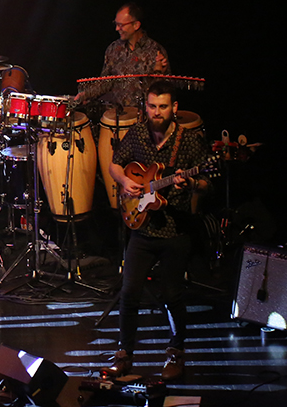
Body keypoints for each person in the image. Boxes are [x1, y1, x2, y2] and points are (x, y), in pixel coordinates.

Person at [103, 81, 210, 381]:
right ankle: (124, 355)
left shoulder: (189, 141)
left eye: (163, 107)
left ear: (174, 108)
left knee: (172, 295)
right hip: (142, 228)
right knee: (129, 293)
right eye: (152, 106)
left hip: (176, 231)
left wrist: (191, 183)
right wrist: (125, 182)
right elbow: (115, 165)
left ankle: (176, 354)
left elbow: (207, 182)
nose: (157, 112)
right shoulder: (138, 133)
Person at [79, 2, 170, 108]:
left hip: (142, 114)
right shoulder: (113, 49)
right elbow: (105, 83)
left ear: (136, 25)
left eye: (121, 25)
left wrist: (160, 72)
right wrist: (85, 94)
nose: (117, 29)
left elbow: (165, 91)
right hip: (116, 113)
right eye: (116, 24)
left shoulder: (155, 51)